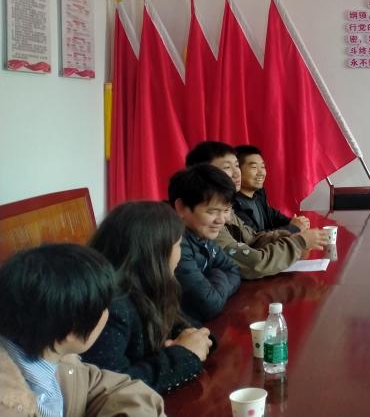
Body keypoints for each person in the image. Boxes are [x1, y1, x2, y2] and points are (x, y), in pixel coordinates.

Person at [0, 244, 165, 416]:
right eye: (104, 307)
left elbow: (117, 390)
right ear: (71, 331)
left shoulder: (61, 362)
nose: (107, 313)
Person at [82, 202, 212, 394]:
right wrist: (184, 354)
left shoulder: (147, 286)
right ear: (155, 255)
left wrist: (193, 338)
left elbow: (181, 324)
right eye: (178, 245)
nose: (181, 253)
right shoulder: (111, 308)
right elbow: (111, 388)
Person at [188, 156, 330, 280]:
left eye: (236, 166)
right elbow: (255, 264)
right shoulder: (210, 225)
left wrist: (294, 237)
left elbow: (253, 239)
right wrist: (298, 241)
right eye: (227, 167)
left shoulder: (256, 197)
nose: (236, 173)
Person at [169, 164, 241, 324]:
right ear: (181, 207)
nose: (221, 220)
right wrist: (218, 274)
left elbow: (234, 270)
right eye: (212, 211)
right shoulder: (174, 243)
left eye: (226, 210)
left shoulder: (201, 234)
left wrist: (213, 283)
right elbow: (209, 304)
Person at [235, 144, 310, 233]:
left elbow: (274, 216)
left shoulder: (259, 195)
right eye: (254, 167)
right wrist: (293, 227)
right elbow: (255, 237)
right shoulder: (233, 205)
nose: (261, 172)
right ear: (237, 170)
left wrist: (298, 222)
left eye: (262, 167)